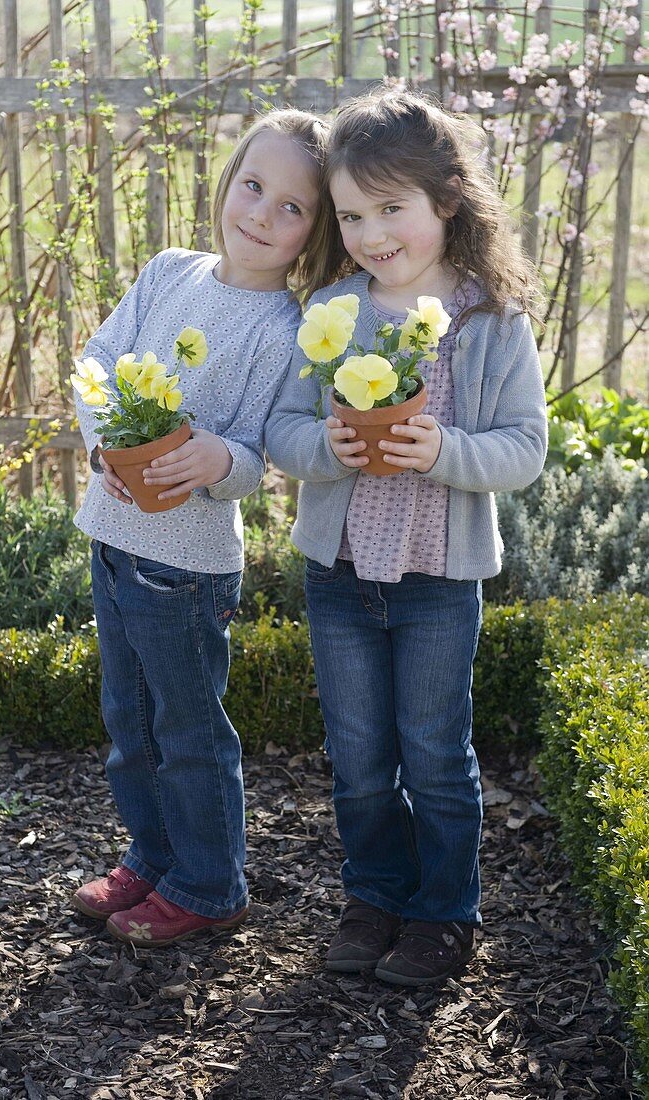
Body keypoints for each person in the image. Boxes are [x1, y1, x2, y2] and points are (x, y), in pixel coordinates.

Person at [265, 88, 548, 987]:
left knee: (433, 755)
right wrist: (331, 447)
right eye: (351, 215)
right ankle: (373, 897)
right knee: (357, 758)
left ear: (448, 203)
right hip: (341, 578)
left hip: (438, 581)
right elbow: (282, 429)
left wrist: (445, 449)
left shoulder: (491, 322)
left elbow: (525, 448)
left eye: (393, 209)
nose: (372, 233)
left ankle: (442, 914)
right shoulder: (333, 315)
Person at [71, 109, 338, 948]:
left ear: (314, 233)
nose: (260, 214)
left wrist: (218, 459)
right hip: (114, 538)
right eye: (252, 186)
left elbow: (266, 458)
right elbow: (98, 362)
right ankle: (151, 858)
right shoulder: (167, 272)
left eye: (291, 207)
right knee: (128, 724)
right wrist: (103, 438)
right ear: (227, 183)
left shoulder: (283, 329)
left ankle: (211, 883)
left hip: (185, 570)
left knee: (187, 733)